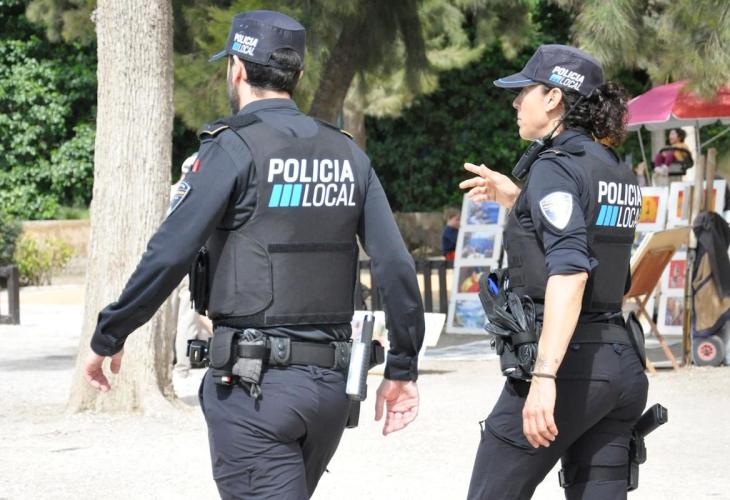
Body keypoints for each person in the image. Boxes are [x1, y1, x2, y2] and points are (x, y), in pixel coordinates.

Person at [82, 10, 425, 499]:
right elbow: (395, 265)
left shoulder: (230, 148)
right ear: (298, 76)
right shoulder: (348, 155)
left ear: (237, 68)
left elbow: (170, 252)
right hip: (329, 391)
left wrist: (110, 332)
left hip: (254, 390)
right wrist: (402, 367)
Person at [460, 44, 648, 499]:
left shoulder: (554, 167)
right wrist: (518, 199)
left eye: (523, 91)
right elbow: (586, 238)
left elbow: (571, 273)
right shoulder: (614, 169)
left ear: (553, 98)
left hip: (570, 366)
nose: (515, 103)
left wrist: (544, 378)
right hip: (620, 362)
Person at [169, 153, 212, 376]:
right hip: (188, 260)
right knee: (187, 315)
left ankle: (167, 359)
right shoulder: (199, 193)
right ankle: (183, 367)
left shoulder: (168, 192)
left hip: (165, 260)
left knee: (167, 314)